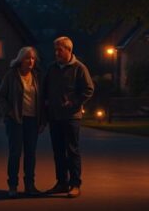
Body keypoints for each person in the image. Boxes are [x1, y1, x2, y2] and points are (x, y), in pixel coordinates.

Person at [43, 36, 94, 198]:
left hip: (71, 117)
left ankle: (75, 184)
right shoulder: (52, 68)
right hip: (54, 116)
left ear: (69, 50)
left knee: (72, 150)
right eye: (55, 50)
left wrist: (73, 103)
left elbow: (88, 89)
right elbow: (45, 89)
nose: (57, 53)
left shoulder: (79, 68)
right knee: (58, 151)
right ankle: (61, 183)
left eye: (60, 49)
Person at [0, 46, 46, 198]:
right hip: (16, 120)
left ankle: (30, 185)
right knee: (15, 153)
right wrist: (9, 112)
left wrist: (42, 120)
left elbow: (42, 100)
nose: (30, 61)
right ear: (20, 60)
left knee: (30, 154)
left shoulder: (37, 76)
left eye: (32, 58)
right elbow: (1, 96)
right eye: (27, 58)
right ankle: (13, 185)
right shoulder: (12, 75)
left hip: (32, 120)